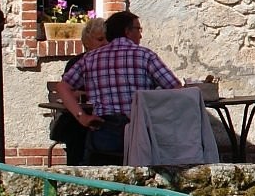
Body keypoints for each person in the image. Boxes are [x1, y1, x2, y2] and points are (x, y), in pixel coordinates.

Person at [56, 11, 184, 163]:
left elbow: (63, 87)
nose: (141, 35)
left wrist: (82, 117)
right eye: (138, 29)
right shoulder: (145, 55)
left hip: (103, 132)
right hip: (140, 133)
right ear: (127, 31)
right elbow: (176, 89)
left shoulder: (90, 58)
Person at [49, 16, 108, 165]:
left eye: (108, 40)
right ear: (87, 42)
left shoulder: (112, 62)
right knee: (77, 130)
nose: (106, 44)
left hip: (106, 117)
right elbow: (68, 91)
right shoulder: (78, 62)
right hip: (79, 116)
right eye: (100, 40)